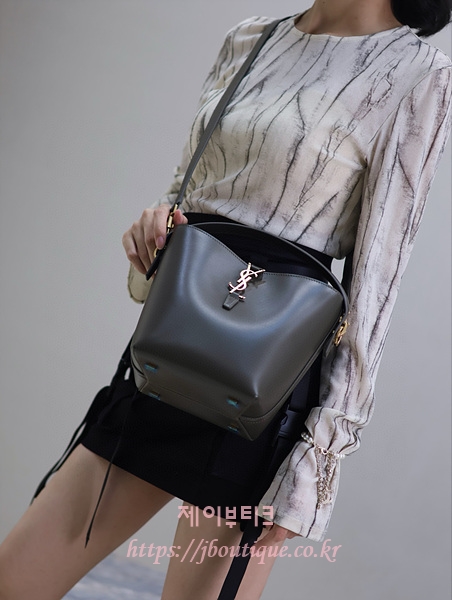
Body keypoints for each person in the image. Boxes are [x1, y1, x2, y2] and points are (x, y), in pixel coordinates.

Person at [0, 1, 451, 599]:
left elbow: (377, 285)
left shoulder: (417, 72)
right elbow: (187, 190)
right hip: (171, 354)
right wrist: (156, 227)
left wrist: (318, 461)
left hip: (267, 391)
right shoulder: (251, 39)